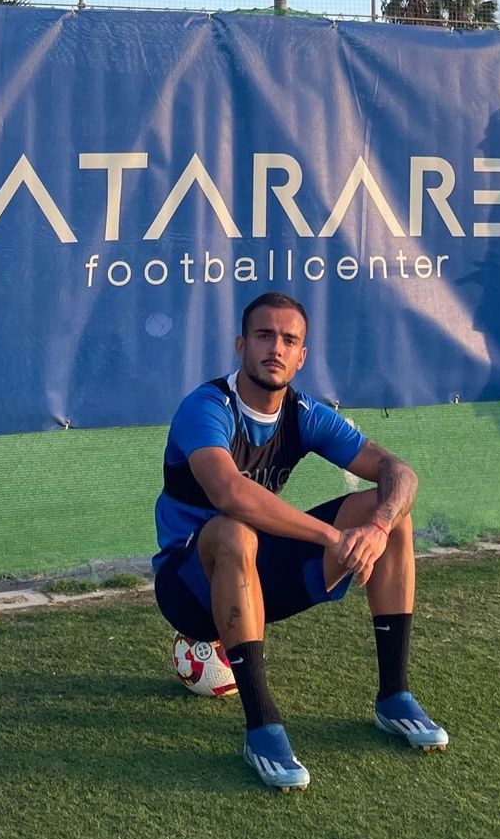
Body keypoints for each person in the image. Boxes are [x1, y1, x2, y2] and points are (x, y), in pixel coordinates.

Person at [153, 292, 447, 792]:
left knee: (392, 511)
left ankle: (394, 696)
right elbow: (230, 493)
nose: (276, 348)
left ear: (302, 355)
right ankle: (262, 729)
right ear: (241, 345)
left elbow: (399, 471)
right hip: (188, 587)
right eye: (264, 336)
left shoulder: (303, 413)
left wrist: (375, 529)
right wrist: (333, 538)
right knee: (233, 529)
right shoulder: (206, 407)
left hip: (257, 577)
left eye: (290, 340)